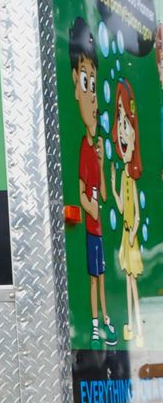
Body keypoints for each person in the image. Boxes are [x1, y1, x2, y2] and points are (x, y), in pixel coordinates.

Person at [69, 18, 116, 347]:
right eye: (86, 83)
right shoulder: (85, 149)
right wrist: (92, 208)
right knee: (93, 276)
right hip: (90, 228)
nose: (93, 97)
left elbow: (99, 187)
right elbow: (84, 194)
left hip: (98, 227)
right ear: (74, 82)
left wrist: (103, 163)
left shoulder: (94, 147)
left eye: (94, 85)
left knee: (100, 275)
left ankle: (105, 319)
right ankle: (97, 323)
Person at [110, 78, 144, 347]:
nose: (123, 132)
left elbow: (137, 214)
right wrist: (112, 186)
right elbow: (122, 208)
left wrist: (133, 232)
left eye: (126, 125)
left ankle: (138, 325)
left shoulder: (132, 178)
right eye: (120, 124)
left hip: (130, 236)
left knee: (132, 282)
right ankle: (132, 326)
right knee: (127, 282)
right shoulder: (123, 177)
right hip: (125, 234)